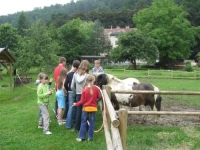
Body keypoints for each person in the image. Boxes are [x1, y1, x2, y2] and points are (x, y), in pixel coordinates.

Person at [73, 74, 101, 142]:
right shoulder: (96, 89)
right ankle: (90, 138)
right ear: (94, 81)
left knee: (83, 122)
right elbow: (99, 97)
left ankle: (81, 137)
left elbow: (82, 101)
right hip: (93, 109)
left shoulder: (84, 89)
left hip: (86, 109)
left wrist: (76, 104)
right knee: (92, 123)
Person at [71, 60, 90, 131]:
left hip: (78, 95)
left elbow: (72, 86)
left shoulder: (75, 74)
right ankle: (86, 127)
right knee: (85, 111)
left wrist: (76, 92)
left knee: (78, 112)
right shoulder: (88, 76)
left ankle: (77, 128)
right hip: (86, 95)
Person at [64, 60, 80, 129]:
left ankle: (68, 124)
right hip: (77, 91)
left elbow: (65, 84)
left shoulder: (69, 74)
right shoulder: (79, 74)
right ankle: (75, 121)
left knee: (71, 107)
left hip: (70, 91)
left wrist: (68, 90)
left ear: (73, 65)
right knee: (77, 106)